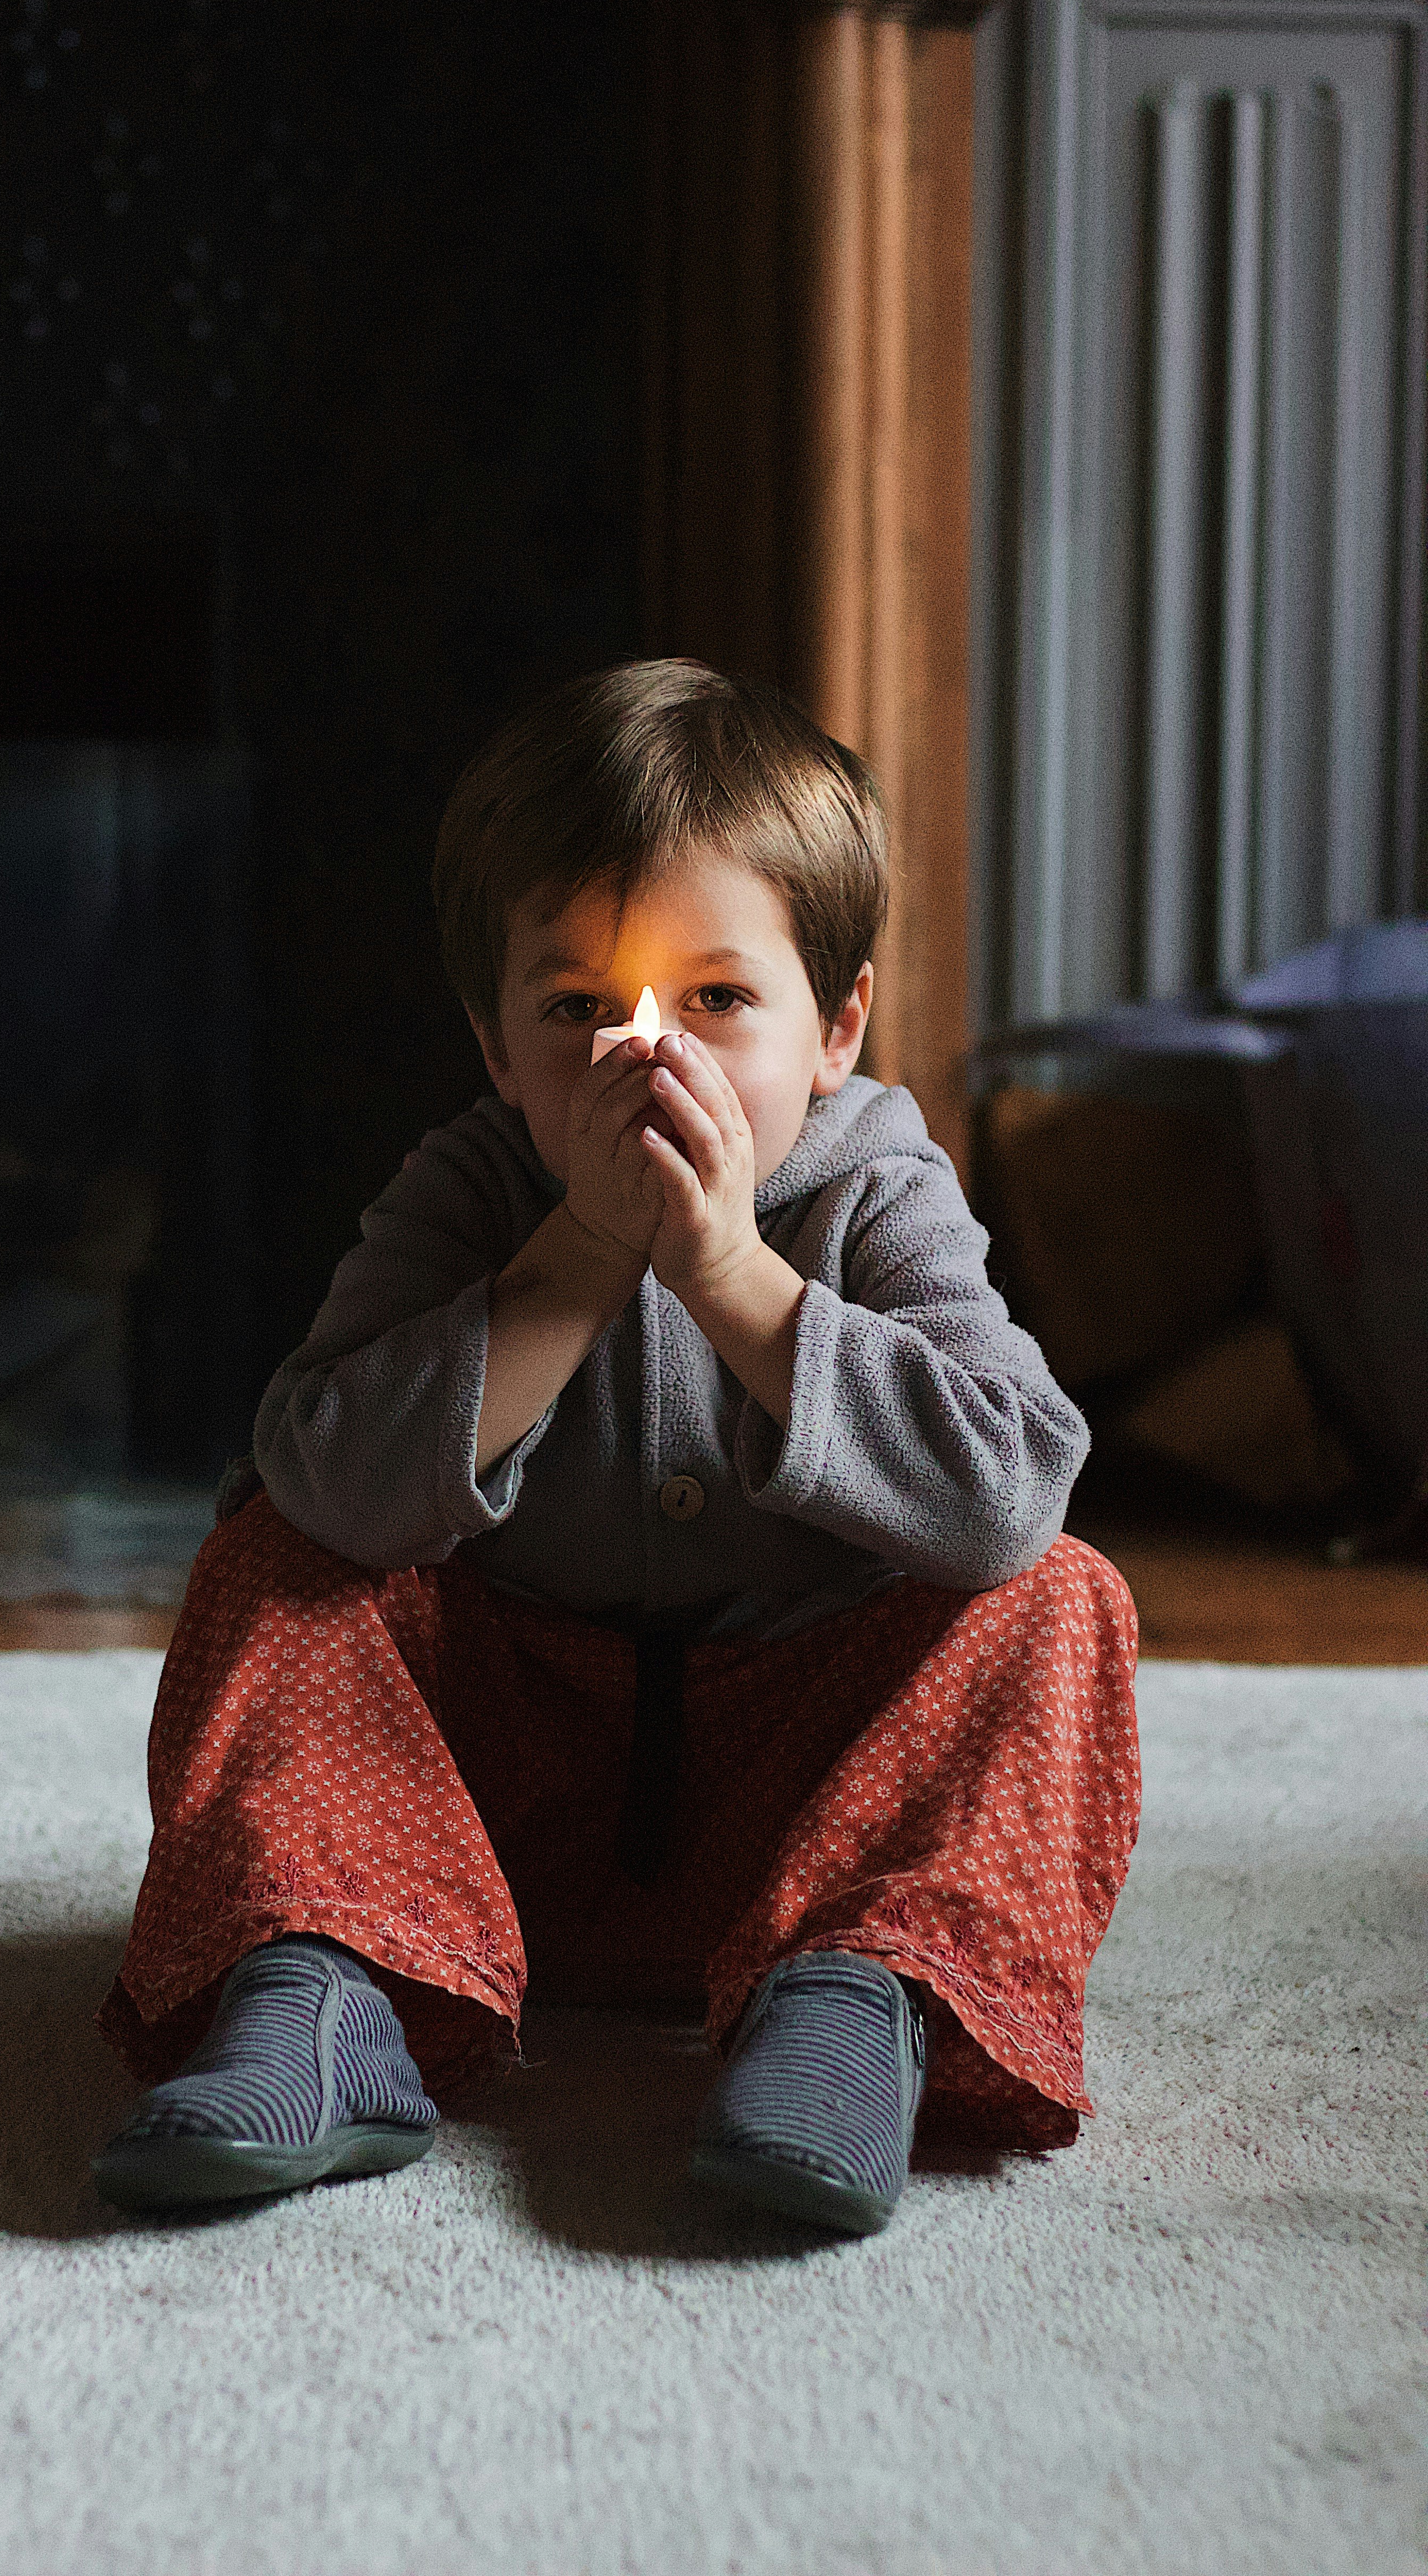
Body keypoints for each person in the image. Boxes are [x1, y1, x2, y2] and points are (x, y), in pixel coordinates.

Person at [93, 659, 1140, 2237]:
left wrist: (733, 1276)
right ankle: (322, 1989)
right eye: (578, 1008)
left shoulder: (879, 1187)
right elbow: (324, 1478)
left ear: (836, 1025)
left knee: (1057, 1599)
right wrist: (576, 1257)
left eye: (717, 1000)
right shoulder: (470, 1188)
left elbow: (1006, 1490)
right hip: (466, 1830)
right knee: (273, 1553)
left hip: (803, 1828)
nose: (643, 1058)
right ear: (497, 1046)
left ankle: (860, 2013)